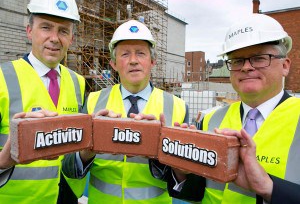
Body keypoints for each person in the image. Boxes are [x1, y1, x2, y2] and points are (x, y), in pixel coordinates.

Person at [152, 13, 300, 204]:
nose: (246, 67)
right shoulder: (210, 120)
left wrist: (268, 188)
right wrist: (182, 170)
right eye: (237, 61)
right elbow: (195, 192)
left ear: (285, 65)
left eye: (259, 58)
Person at [62, 19, 189, 203]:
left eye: (140, 53)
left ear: (152, 61)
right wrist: (86, 152)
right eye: (125, 54)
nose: (133, 61)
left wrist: (158, 155)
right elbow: (69, 168)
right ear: (113, 63)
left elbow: (183, 181)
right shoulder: (93, 102)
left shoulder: (177, 107)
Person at [0, 0, 87, 203]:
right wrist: (6, 158)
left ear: (71, 38)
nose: (55, 38)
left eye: (63, 30)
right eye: (46, 27)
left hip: (65, 196)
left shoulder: (78, 82)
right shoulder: (2, 78)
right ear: (29, 31)